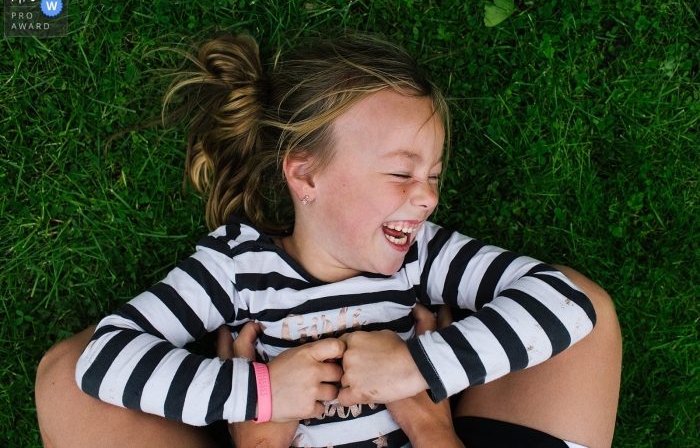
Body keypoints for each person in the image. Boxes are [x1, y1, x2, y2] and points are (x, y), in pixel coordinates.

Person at [35, 34, 622, 448]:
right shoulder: (237, 266)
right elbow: (103, 360)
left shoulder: (423, 253)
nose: (428, 197)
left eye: (434, 177)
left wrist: (416, 369)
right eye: (401, 173)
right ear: (305, 174)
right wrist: (260, 393)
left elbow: (565, 302)